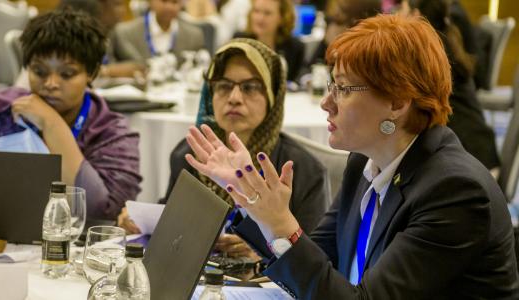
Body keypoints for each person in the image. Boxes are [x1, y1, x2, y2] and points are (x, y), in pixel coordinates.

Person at [186, 15, 519, 298]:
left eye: (343, 89)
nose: (326, 103)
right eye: (331, 85)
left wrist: (280, 223)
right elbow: (317, 265)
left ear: (398, 103)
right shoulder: (366, 161)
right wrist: (254, 202)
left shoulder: (455, 192)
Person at [118, 38, 328, 261]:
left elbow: (316, 259)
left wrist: (265, 252)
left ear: (272, 96)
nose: (234, 98)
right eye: (224, 86)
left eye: (250, 87)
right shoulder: (190, 155)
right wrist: (136, 222)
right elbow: (170, 220)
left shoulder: (301, 169)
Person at [0, 8, 142, 220]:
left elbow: (104, 214)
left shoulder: (112, 134)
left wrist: (53, 125)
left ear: (92, 73)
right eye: (39, 72)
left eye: (67, 74)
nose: (51, 84)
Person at [400, 0, 499, 172]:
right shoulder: (441, 40)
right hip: (477, 151)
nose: (397, 13)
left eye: (402, 8)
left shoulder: (426, 54)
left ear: (415, 15)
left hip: (473, 162)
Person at [108, 0, 205, 65]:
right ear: (150, 2)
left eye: (174, 2)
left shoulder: (194, 35)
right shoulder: (124, 32)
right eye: (164, 1)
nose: (169, 7)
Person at [237, 0, 304, 81]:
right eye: (256, 11)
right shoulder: (239, 41)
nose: (260, 18)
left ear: (282, 17)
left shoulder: (295, 47)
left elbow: (298, 80)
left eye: (267, 13)